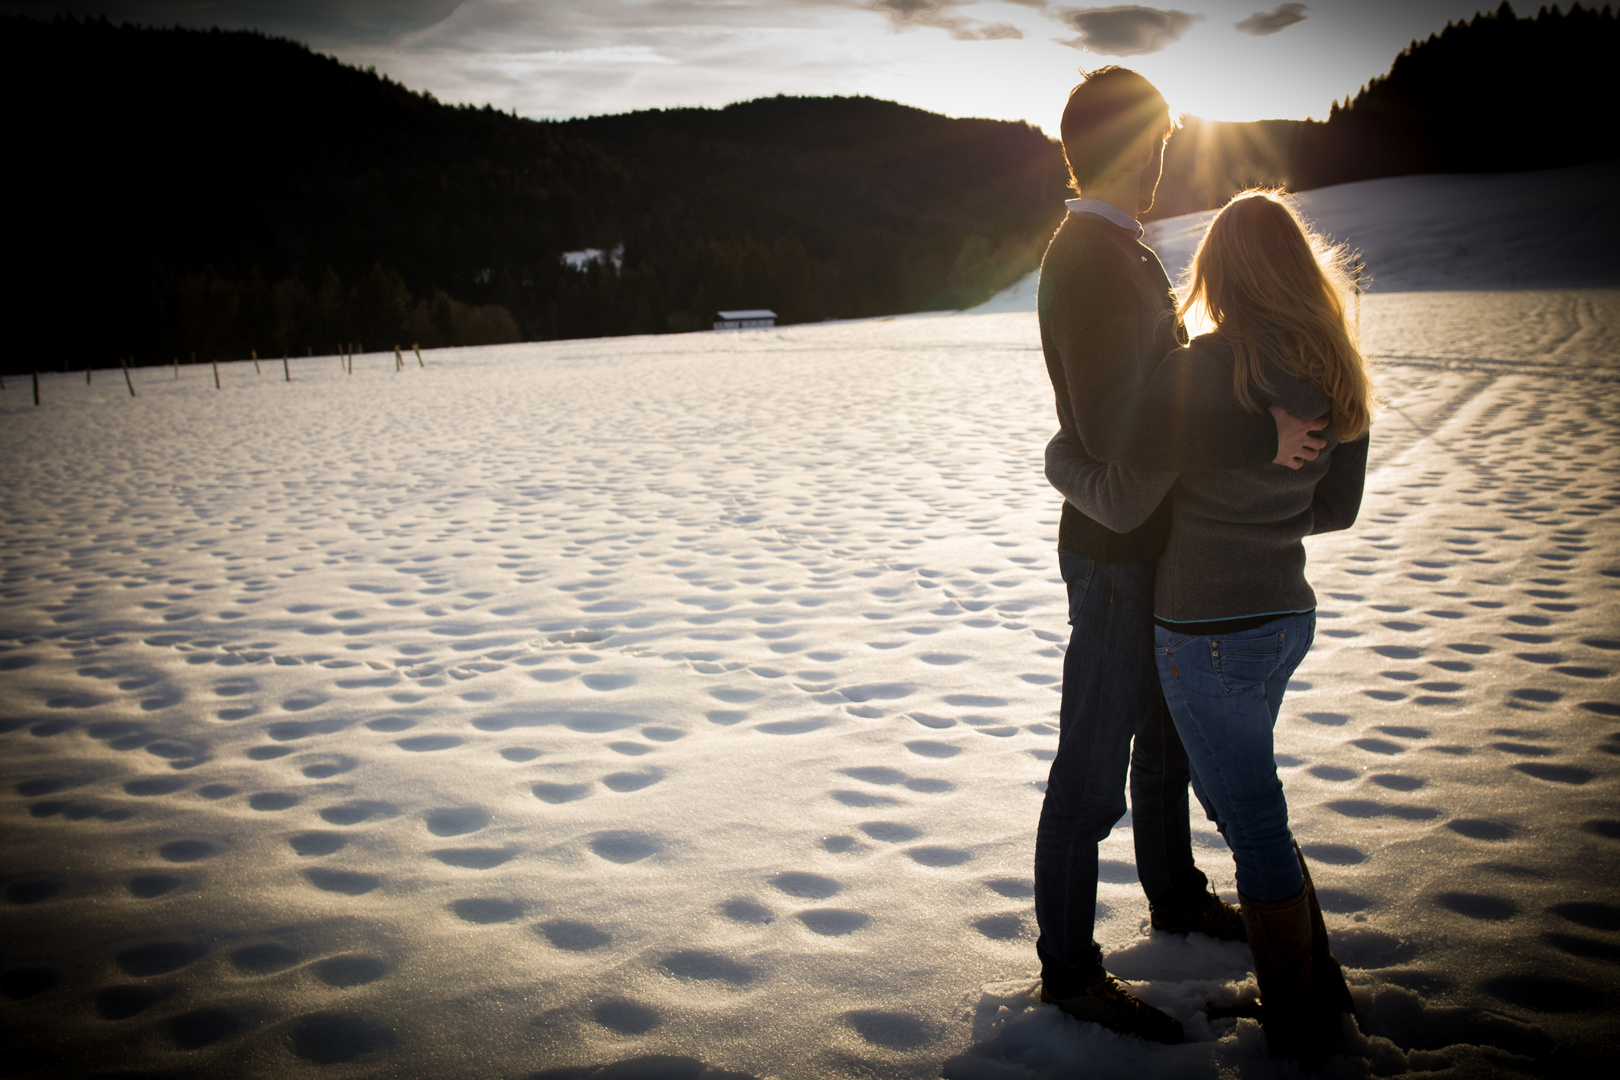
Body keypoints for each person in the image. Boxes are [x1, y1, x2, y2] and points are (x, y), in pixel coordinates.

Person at [1033, 66, 1328, 1044]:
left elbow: (1154, 413)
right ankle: (1070, 973)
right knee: (1092, 766)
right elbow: (1135, 434)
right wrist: (1259, 441)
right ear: (1128, 151)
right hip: (1116, 551)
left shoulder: (1114, 251)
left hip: (1147, 544)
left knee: (1158, 747)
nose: (1166, 163)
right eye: (1156, 146)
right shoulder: (1097, 262)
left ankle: (1174, 896)